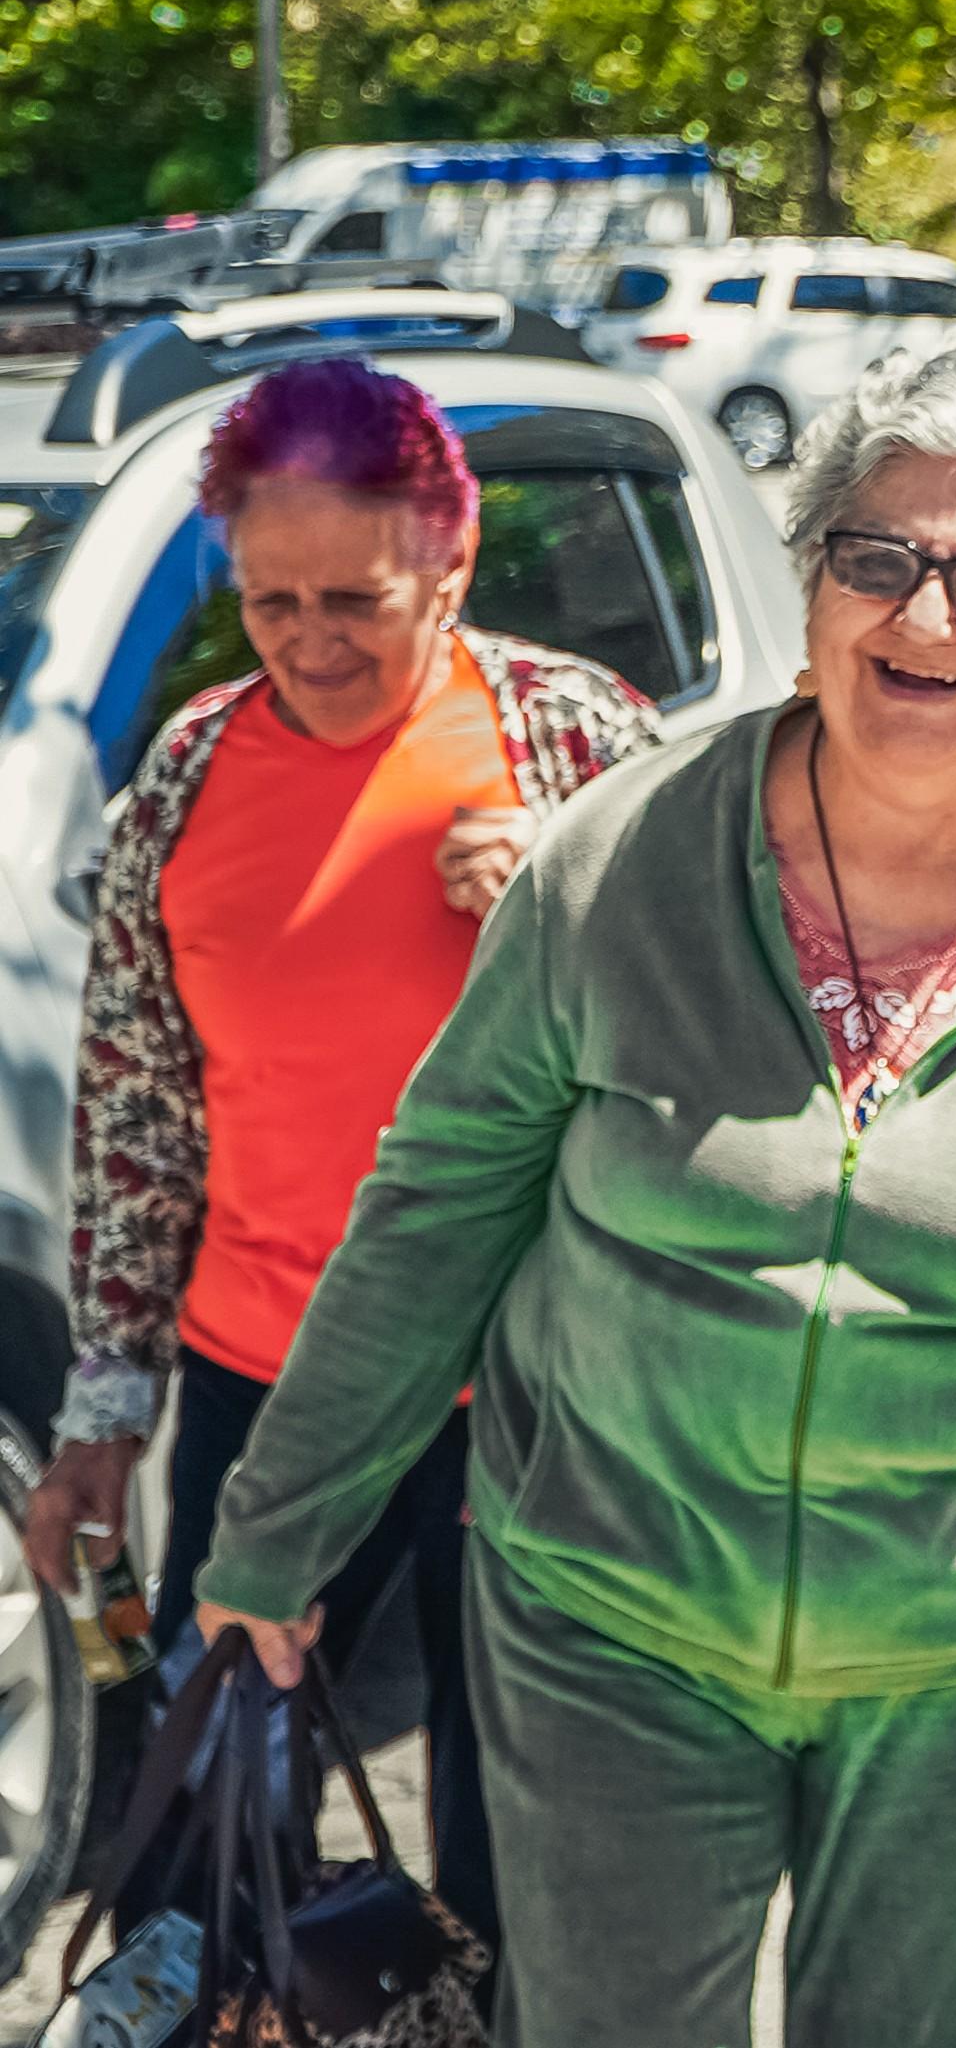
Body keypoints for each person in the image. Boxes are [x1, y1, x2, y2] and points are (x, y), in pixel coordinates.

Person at [181, 341, 956, 2048]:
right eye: (876, 558)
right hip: (611, 1615)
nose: (925, 617)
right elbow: (433, 1214)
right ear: (812, 588)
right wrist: (277, 1528)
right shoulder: (616, 858)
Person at [22, 357, 660, 1961]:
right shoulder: (186, 770)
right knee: (201, 1846)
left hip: (522, 1390)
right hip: (269, 1385)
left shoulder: (576, 742)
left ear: (450, 557)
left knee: (518, 1856)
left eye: (354, 597)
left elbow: (721, 1066)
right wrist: (105, 1414)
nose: (308, 640)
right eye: (266, 597)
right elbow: (137, 1118)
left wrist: (572, 911)